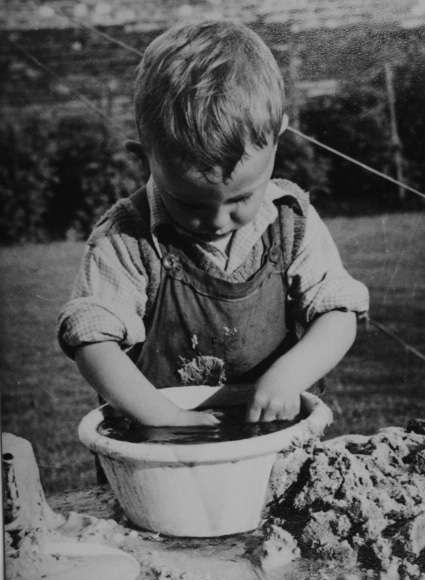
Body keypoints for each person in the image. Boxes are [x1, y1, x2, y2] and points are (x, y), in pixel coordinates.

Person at [57, 20, 369, 427]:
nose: (219, 221)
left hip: (272, 436)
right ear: (144, 158)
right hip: (158, 450)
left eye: (241, 198)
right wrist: (165, 418)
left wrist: (290, 375)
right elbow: (91, 340)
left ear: (277, 137)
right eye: (189, 203)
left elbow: (339, 312)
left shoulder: (292, 221)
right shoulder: (125, 240)